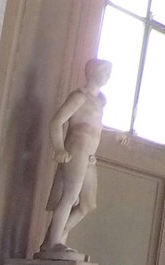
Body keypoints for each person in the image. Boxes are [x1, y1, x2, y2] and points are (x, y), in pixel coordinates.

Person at [39, 59, 112, 257]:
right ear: (92, 71)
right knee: (70, 197)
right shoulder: (79, 97)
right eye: (104, 71)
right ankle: (54, 243)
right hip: (77, 149)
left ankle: (54, 239)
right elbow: (57, 122)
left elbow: (96, 127)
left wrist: (118, 136)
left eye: (109, 72)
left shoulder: (100, 101)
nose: (108, 75)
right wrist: (59, 148)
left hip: (89, 155)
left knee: (88, 204)